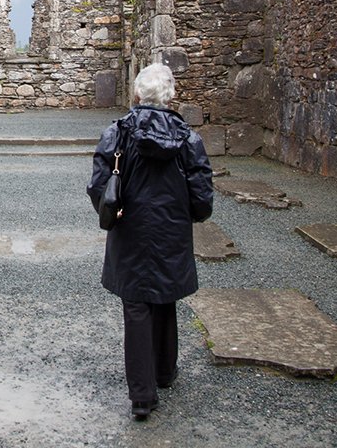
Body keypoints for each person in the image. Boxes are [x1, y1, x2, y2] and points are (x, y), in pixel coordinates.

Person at [87, 63, 213, 420]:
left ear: (138, 94)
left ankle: (143, 396)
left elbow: (99, 183)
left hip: (132, 229)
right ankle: (164, 372)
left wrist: (112, 212)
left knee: (137, 305)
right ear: (170, 96)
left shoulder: (118, 133)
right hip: (170, 229)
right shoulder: (187, 137)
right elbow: (201, 192)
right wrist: (192, 215)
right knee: (165, 296)